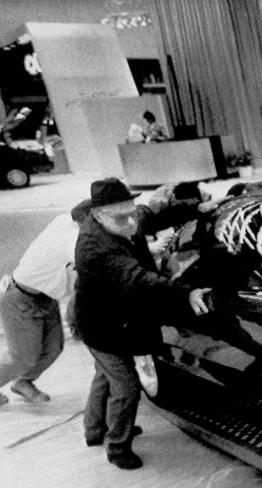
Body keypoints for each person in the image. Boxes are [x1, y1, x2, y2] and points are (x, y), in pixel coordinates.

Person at [74, 178, 211, 469]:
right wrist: (186, 293)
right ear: (99, 215)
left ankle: (95, 430)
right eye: (122, 216)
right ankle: (117, 446)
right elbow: (138, 279)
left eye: (131, 211)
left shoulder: (122, 219)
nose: (130, 220)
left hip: (117, 320)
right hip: (101, 326)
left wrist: (199, 207)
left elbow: (156, 214)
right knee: (125, 388)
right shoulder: (95, 247)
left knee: (104, 376)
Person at [0, 199, 93, 406]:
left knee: (53, 348)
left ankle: (23, 382)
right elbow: (92, 257)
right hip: (21, 298)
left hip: (46, 297)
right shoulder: (72, 237)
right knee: (22, 356)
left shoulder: (65, 221)